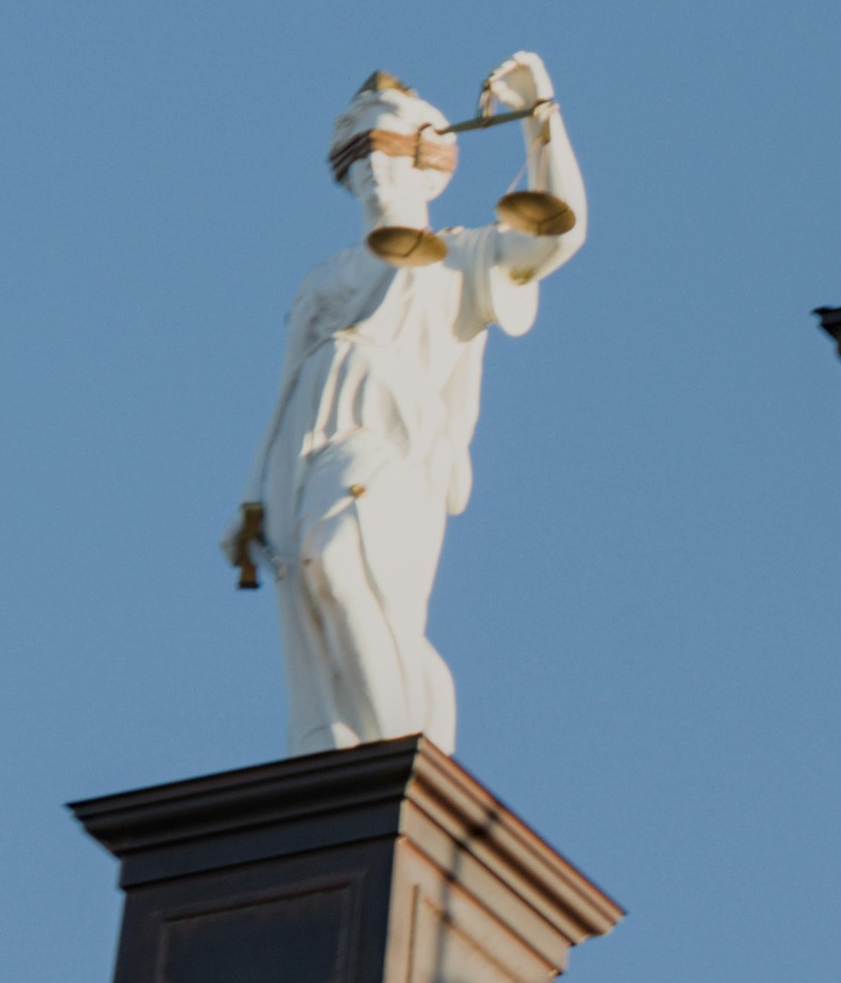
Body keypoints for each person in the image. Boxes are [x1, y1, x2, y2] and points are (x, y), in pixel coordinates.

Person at [225, 55, 584, 756]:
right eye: (355, 155)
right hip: (305, 436)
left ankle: (396, 753)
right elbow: (284, 382)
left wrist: (541, 119)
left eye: (384, 149)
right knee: (315, 598)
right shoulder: (326, 276)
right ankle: (346, 744)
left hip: (390, 433)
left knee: (343, 561)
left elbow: (559, 233)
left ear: (426, 162)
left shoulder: (461, 256)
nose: (369, 168)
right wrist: (249, 499)